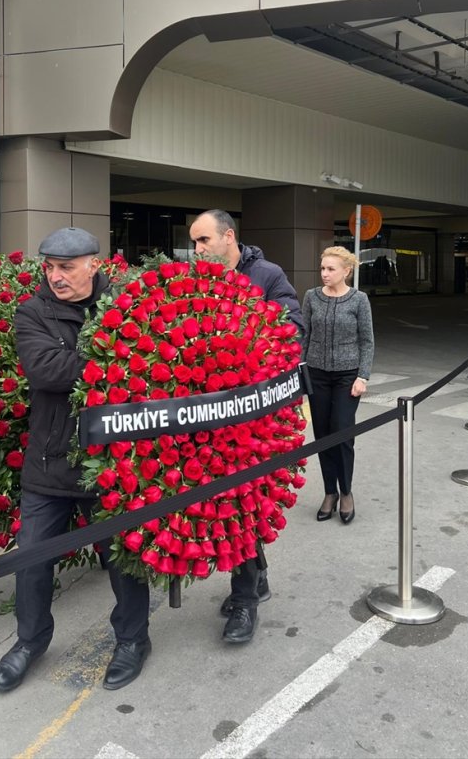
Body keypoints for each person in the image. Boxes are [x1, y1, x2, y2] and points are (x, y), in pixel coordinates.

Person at [0, 226, 121, 693]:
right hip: (49, 461)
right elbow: (44, 371)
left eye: (66, 267)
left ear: (94, 265)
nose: (56, 276)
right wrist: (115, 358)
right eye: (49, 267)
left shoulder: (122, 303)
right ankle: (30, 641)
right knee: (31, 560)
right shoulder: (33, 311)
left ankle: (131, 639)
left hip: (111, 461)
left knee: (123, 559)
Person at [188, 210, 304, 643]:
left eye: (203, 241)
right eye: (194, 244)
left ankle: (244, 601)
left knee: (242, 503)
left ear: (228, 236)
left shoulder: (268, 275)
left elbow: (293, 329)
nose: (197, 251)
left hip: (255, 416)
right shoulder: (199, 279)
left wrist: (243, 343)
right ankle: (256, 579)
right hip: (210, 413)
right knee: (227, 501)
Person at [301, 246, 374, 525]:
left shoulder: (359, 300)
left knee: (342, 434)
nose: (325, 274)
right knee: (322, 436)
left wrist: (362, 376)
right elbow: (305, 336)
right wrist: (300, 372)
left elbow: (366, 341)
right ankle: (329, 492)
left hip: (347, 377)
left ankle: (346, 492)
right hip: (317, 375)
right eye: (323, 268)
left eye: (331, 269)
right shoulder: (312, 297)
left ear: (347, 271)